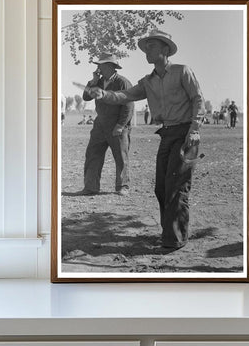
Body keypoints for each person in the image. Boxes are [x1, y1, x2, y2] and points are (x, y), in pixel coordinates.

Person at [88, 29, 205, 249]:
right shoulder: (148, 81)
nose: (146, 51)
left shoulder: (182, 71)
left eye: (151, 46)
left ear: (165, 49)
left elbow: (198, 99)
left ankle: (175, 240)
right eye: (146, 47)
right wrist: (103, 94)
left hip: (186, 133)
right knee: (161, 187)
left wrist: (195, 128)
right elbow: (126, 95)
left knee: (176, 186)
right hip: (166, 134)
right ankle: (169, 233)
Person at [77, 53, 134, 196]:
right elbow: (86, 96)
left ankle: (123, 186)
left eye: (100, 65)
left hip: (117, 125)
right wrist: (93, 81)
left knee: (121, 156)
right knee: (93, 154)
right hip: (100, 124)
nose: (98, 68)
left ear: (109, 66)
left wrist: (121, 125)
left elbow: (128, 106)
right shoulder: (99, 81)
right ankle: (90, 187)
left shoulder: (123, 82)